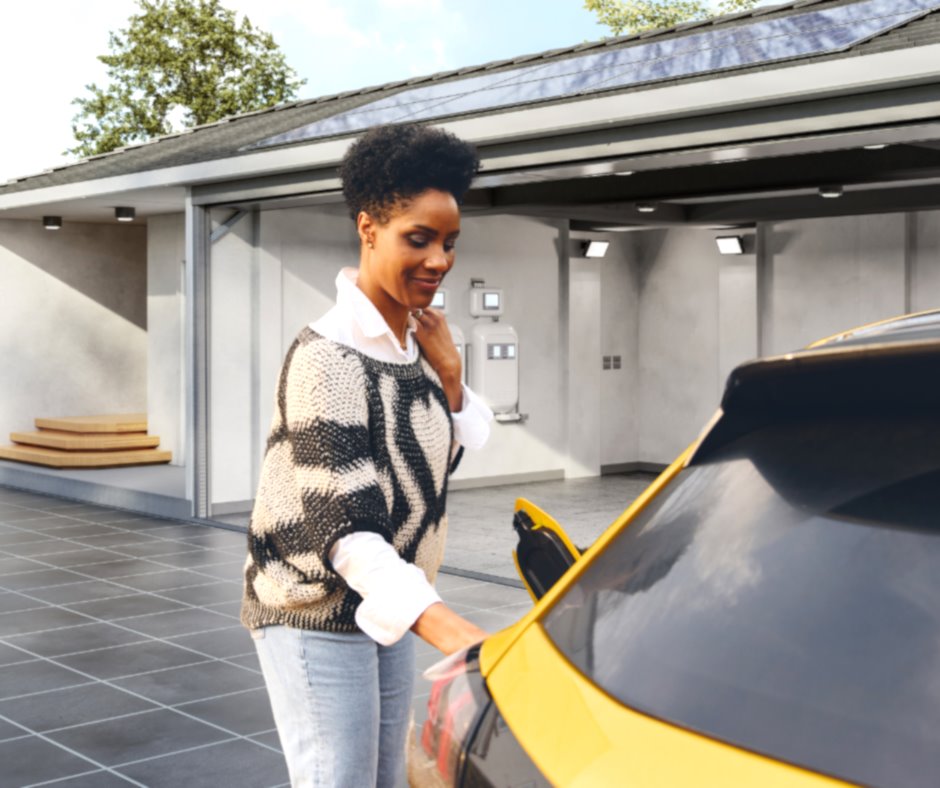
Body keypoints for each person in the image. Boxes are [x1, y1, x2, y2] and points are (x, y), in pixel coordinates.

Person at [241, 122, 493, 788]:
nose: (439, 259)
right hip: (313, 606)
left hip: (384, 602)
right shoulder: (326, 358)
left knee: (384, 779)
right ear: (369, 228)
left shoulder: (412, 347)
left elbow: (446, 461)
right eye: (419, 238)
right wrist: (455, 634)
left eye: (449, 242)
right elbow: (347, 529)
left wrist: (450, 375)